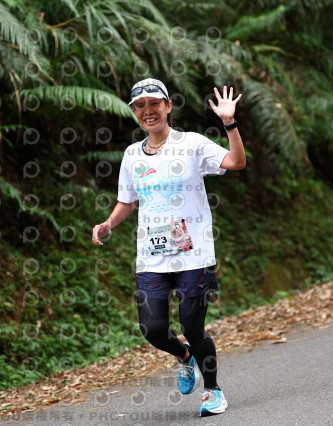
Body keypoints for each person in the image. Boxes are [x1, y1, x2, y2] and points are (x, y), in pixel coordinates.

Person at [91, 78, 246, 417]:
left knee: (192, 326)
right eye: (140, 106)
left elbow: (236, 162)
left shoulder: (191, 144)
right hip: (152, 255)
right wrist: (107, 224)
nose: (148, 111)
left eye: (154, 104)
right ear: (134, 112)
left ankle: (213, 391)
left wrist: (229, 123)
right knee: (153, 328)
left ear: (168, 106)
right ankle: (184, 355)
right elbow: (127, 202)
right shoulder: (132, 155)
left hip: (194, 254)